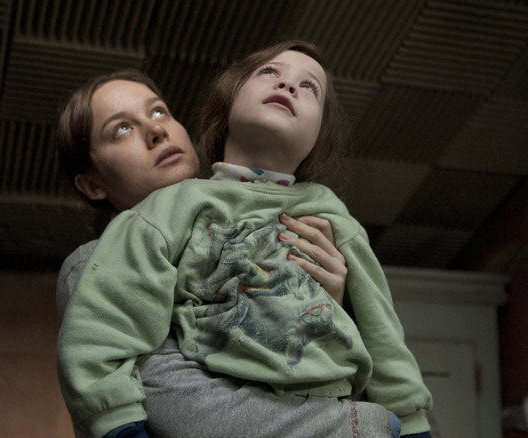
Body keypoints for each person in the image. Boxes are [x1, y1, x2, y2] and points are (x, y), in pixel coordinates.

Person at [55, 54, 419, 437]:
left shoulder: (314, 212)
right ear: (93, 185)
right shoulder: (93, 264)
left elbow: (378, 352)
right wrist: (362, 425)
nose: (155, 131)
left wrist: (331, 303)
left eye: (159, 112)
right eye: (122, 129)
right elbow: (191, 409)